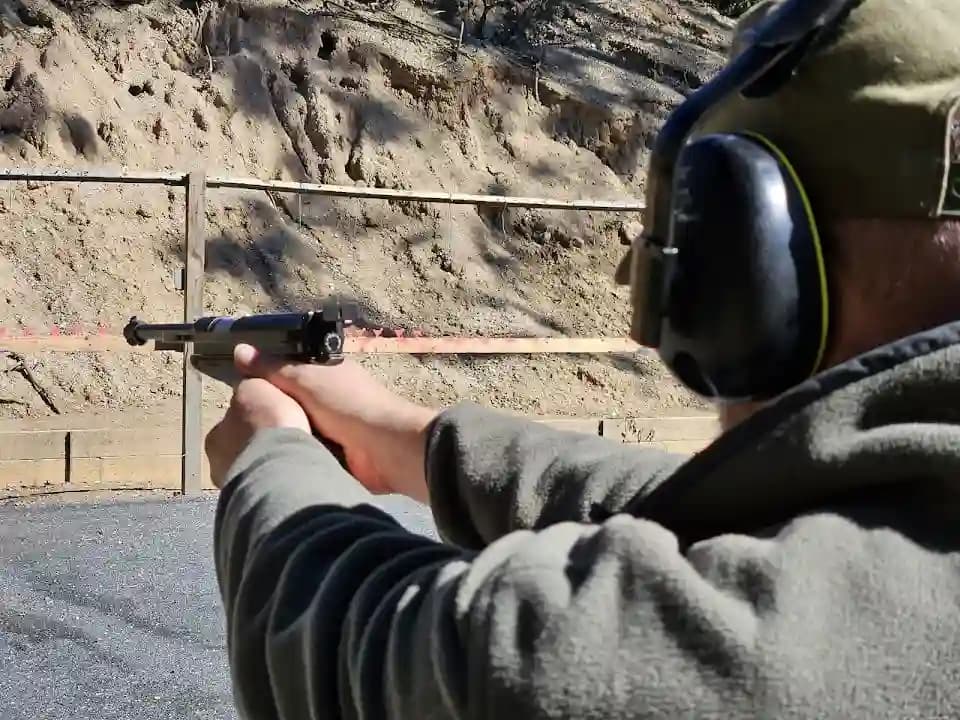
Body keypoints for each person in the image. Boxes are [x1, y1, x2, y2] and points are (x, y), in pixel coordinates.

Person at [206, 0, 960, 717]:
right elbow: (708, 499)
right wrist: (405, 436)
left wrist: (271, 460)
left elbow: (412, 659)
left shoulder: (779, 651)